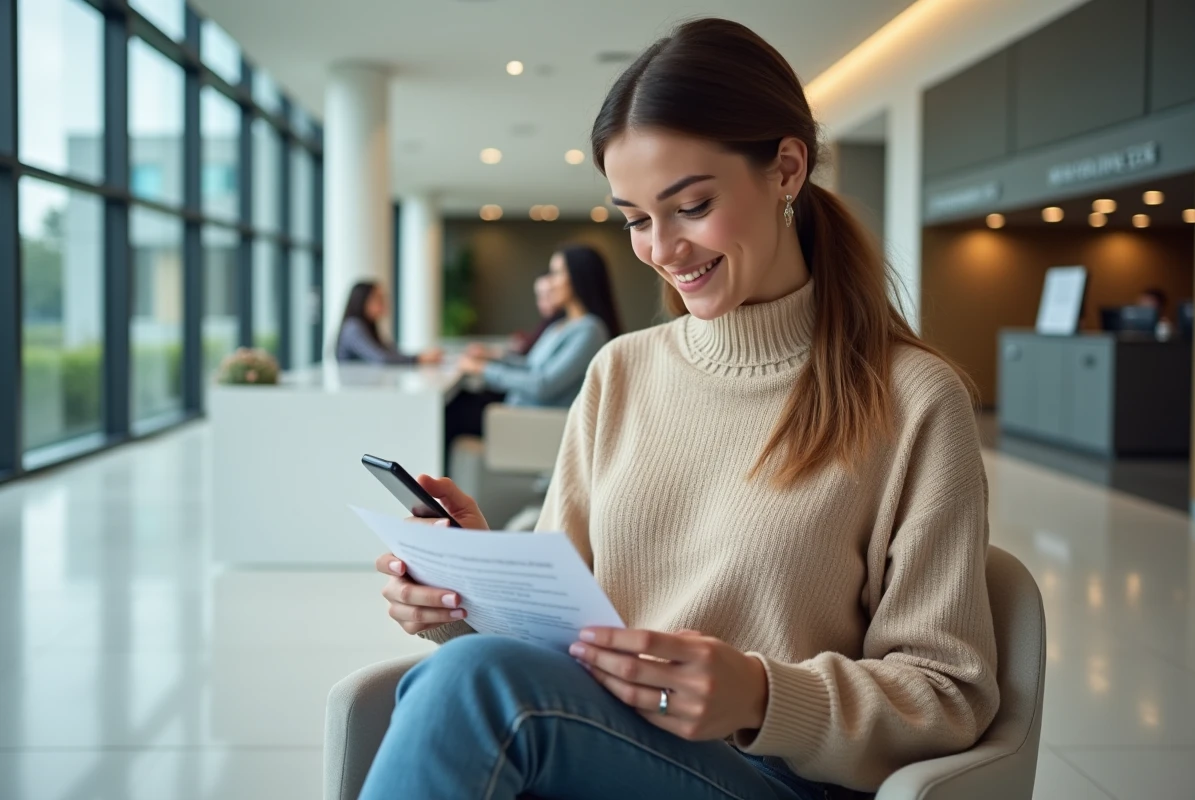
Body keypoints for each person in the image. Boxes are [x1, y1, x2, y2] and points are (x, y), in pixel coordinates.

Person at [364, 18, 998, 800]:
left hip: (779, 778)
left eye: (691, 206)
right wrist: (463, 595)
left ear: (787, 169)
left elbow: (950, 694)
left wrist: (763, 695)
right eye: (634, 219)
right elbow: (559, 638)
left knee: (473, 688)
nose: (661, 248)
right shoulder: (620, 373)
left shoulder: (913, 399)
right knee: (466, 675)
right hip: (606, 746)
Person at [442, 245, 620, 457]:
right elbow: (530, 366)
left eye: (556, 273)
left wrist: (483, 369)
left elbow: (543, 384)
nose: (549, 282)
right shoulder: (561, 324)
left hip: (535, 422)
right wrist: (489, 360)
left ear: (578, 276)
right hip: (520, 410)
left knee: (453, 413)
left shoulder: (590, 330)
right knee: (459, 402)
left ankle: (431, 487)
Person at [334, 281, 441, 365]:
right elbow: (381, 358)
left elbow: (391, 352)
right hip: (355, 389)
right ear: (362, 301)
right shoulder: (353, 327)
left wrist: (421, 357)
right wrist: (419, 359)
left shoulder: (369, 326)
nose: (384, 302)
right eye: (378, 298)